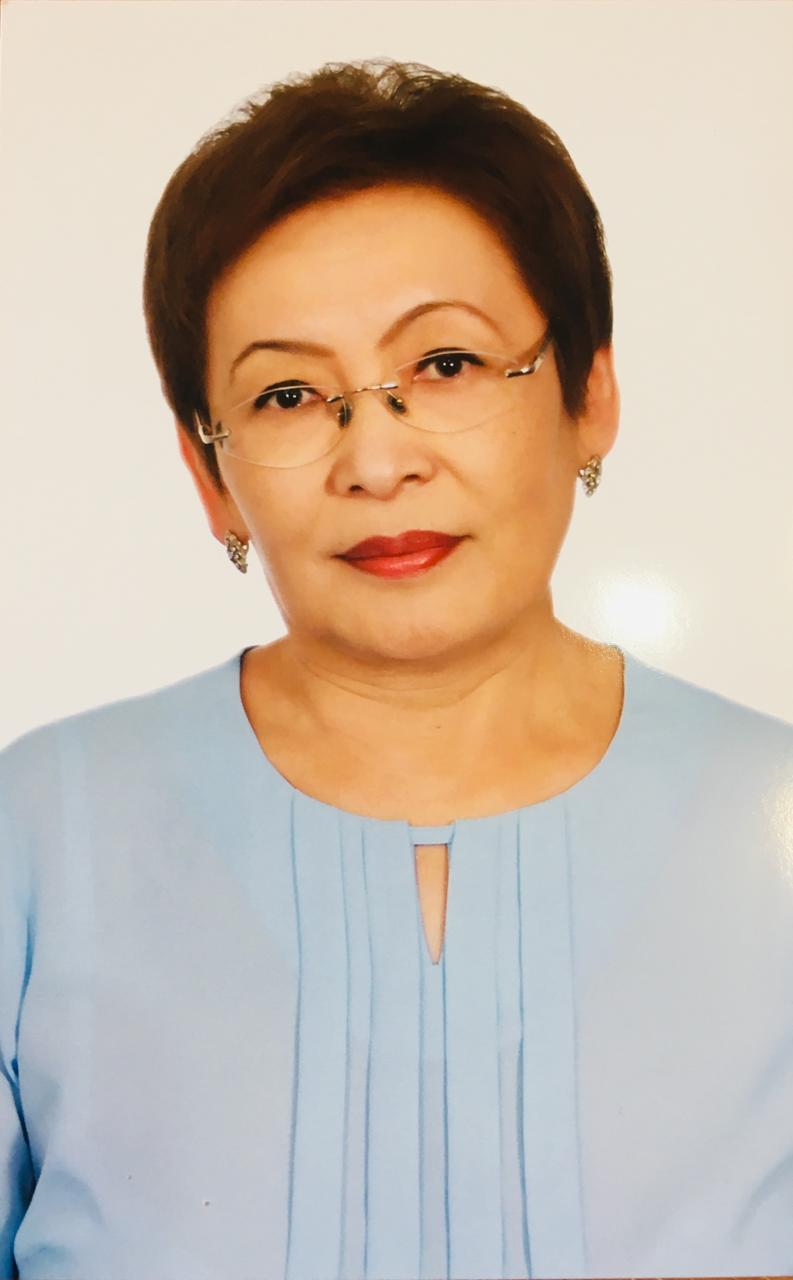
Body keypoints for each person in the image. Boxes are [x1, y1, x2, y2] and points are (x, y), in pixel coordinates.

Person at [1, 56, 792, 1280]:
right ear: (210, 473)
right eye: (287, 393)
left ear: (589, 392)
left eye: (446, 365)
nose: (376, 462)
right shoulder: (42, 834)